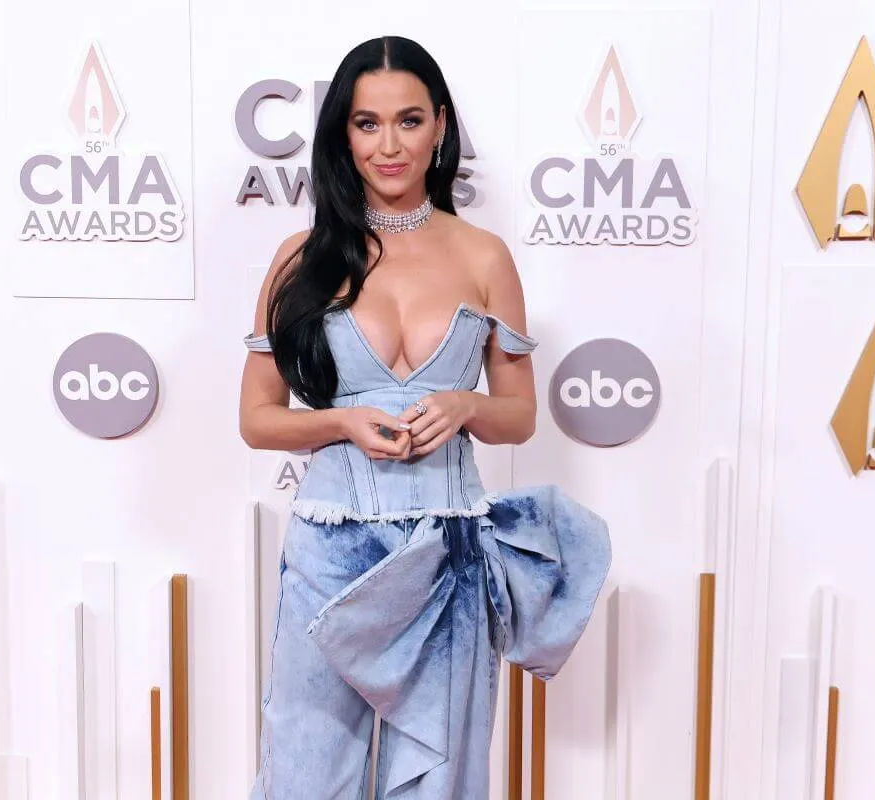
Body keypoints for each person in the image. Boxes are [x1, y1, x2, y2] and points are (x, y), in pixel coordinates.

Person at [239, 35, 612, 799]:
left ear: (440, 125)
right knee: (306, 773)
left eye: (408, 121)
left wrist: (471, 404)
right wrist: (340, 423)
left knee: (442, 782)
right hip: (330, 555)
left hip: (445, 552)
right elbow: (257, 419)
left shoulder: (484, 256)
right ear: (343, 134)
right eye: (367, 123)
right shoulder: (299, 257)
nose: (389, 144)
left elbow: (519, 416)